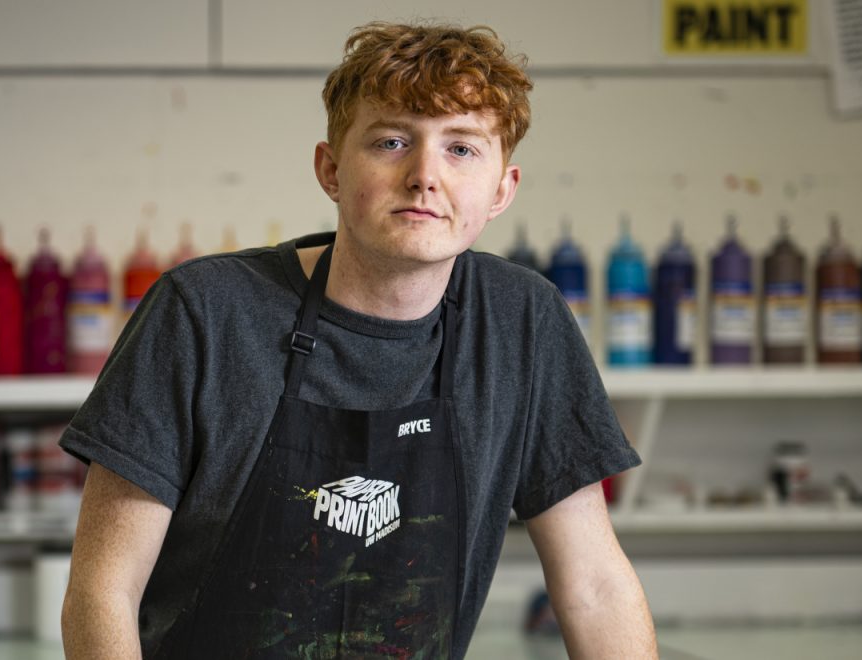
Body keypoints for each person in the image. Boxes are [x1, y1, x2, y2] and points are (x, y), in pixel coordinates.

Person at [59, 21, 656, 659]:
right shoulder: (204, 314)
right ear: (331, 169)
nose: (426, 175)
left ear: (502, 189)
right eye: (392, 141)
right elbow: (102, 591)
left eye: (462, 149)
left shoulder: (523, 322)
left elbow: (595, 585)